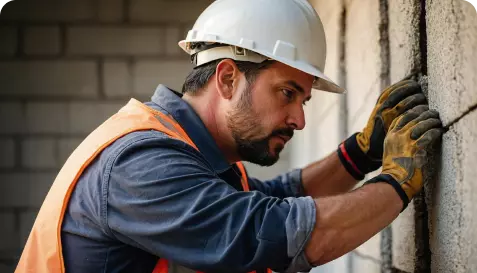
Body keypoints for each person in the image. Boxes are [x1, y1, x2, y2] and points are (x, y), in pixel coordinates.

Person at [16, 0, 443, 272]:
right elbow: (269, 231)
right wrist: (397, 181)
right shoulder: (141, 164)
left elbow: (273, 196)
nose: (299, 119)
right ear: (226, 78)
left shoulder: (189, 151)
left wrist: (361, 153)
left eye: (304, 101)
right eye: (287, 93)